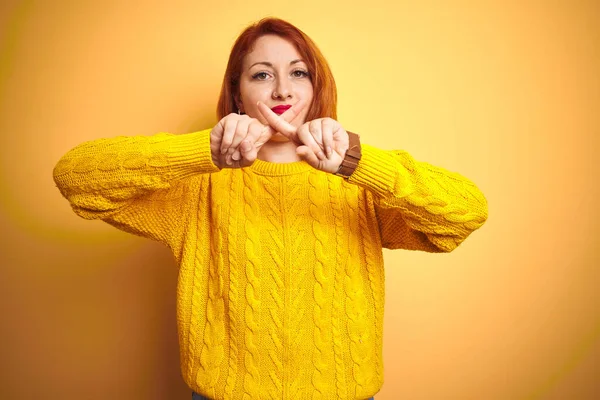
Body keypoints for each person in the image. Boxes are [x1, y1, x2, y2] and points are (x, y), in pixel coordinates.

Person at [53, 17, 488, 400]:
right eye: (262, 75)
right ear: (238, 95)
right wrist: (204, 149)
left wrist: (355, 161)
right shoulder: (198, 187)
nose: (282, 88)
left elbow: (466, 212)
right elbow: (76, 177)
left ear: (317, 91)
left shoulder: (360, 184)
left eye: (299, 73)